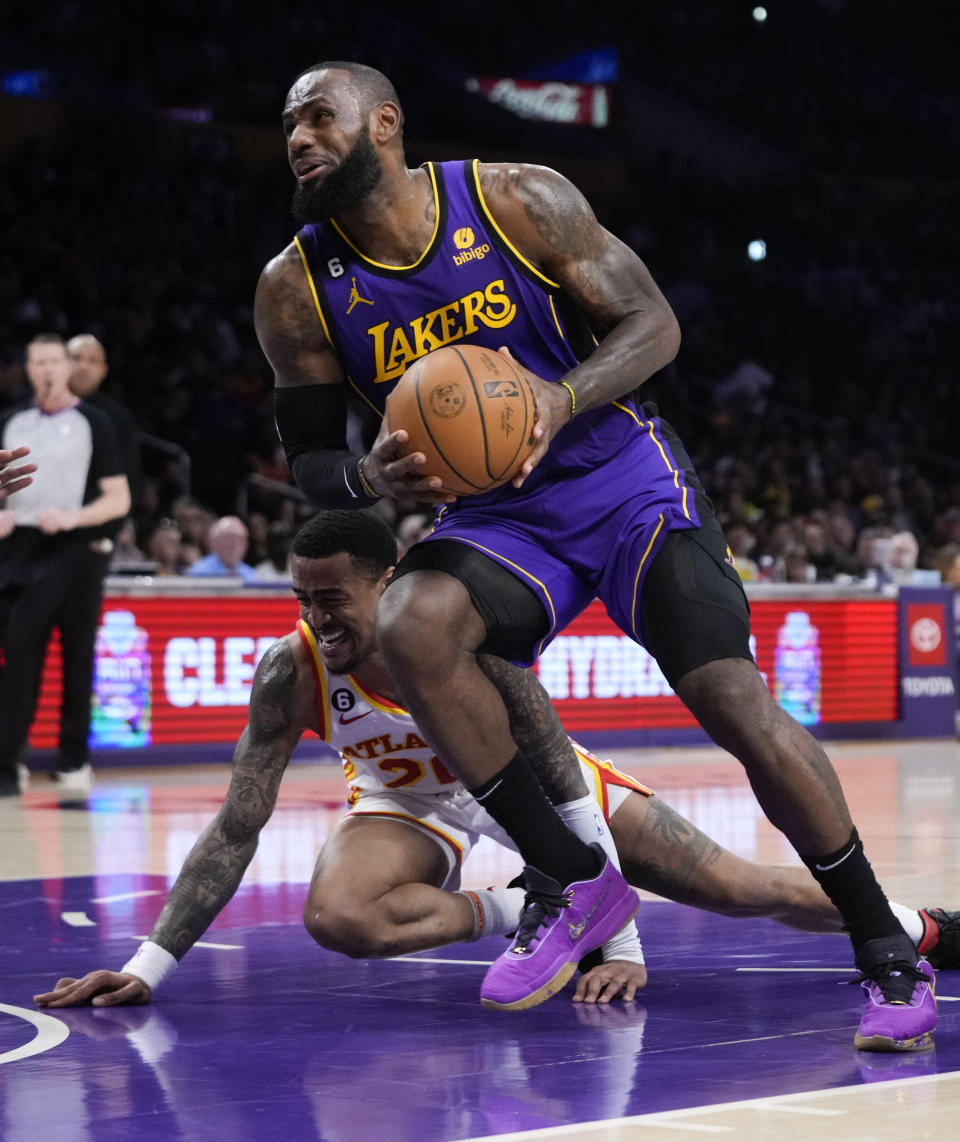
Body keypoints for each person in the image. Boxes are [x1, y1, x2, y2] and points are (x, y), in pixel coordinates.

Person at [253, 61, 934, 1047]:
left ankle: (886, 947)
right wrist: (368, 481)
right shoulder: (297, 287)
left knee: (733, 702)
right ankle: (576, 884)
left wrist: (555, 399)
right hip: (499, 516)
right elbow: (309, 453)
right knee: (411, 621)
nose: (299, 137)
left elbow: (654, 323)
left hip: (623, 477)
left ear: (387, 124)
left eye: (319, 116)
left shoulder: (513, 197)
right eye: (287, 125)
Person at [34, 511, 958, 1018]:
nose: (319, 619)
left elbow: (558, 773)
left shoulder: (463, 637)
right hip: (412, 804)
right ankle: (522, 906)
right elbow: (240, 824)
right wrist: (148, 967)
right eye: (303, 599)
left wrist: (619, 940)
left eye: (335, 599)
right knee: (337, 914)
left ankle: (919, 927)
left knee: (751, 890)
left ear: (388, 583)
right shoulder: (294, 667)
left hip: (542, 800)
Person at [0, 335, 131, 796]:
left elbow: (119, 497)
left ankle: (73, 758)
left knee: (76, 655)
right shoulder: (12, 422)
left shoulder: (93, 422)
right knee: (17, 652)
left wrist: (75, 518)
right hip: (18, 548)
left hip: (75, 548)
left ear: (66, 367)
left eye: (55, 361)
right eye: (39, 362)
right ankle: (9, 758)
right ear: (29, 369)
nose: (48, 370)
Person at [67, 333, 143, 549]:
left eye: (92, 361)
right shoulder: (34, 415)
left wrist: (106, 531)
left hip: (92, 537)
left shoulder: (117, 419)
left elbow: (128, 481)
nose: (83, 366)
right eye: (77, 358)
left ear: (103, 371)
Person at [186, 515, 259, 580]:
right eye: (230, 537)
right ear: (214, 541)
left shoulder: (252, 575)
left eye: (240, 538)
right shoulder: (199, 572)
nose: (235, 543)